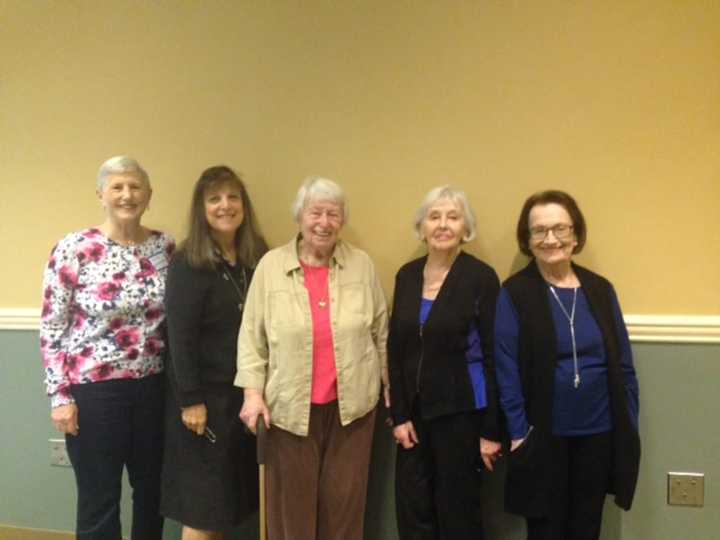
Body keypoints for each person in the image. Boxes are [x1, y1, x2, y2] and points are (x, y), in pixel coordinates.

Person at [235, 176, 388, 540]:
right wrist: (252, 394)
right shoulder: (271, 267)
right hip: (288, 411)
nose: (324, 222)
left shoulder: (361, 265)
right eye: (315, 212)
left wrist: (388, 380)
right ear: (299, 217)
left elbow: (381, 330)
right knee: (291, 513)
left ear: (342, 220)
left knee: (344, 508)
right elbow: (251, 339)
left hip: (352, 410)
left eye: (333, 214)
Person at [40, 156, 174, 540]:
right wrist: (59, 396)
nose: (127, 195)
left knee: (153, 492)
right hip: (95, 392)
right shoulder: (74, 248)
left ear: (149, 195)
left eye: (135, 187)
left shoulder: (165, 246)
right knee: (100, 497)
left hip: (154, 388)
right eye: (117, 187)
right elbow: (52, 327)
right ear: (101, 194)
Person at [495, 190, 640, 540]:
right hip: (542, 436)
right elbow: (506, 367)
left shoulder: (600, 289)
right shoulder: (515, 292)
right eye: (539, 231)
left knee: (587, 526)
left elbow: (622, 364)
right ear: (527, 240)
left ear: (576, 235)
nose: (550, 239)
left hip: (599, 432)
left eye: (560, 228)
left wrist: (629, 420)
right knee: (546, 530)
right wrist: (517, 434)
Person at [388, 186, 502, 540]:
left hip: (462, 414)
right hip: (414, 418)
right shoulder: (407, 275)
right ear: (421, 226)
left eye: (452, 217)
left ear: (465, 227)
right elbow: (396, 347)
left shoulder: (481, 277)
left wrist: (490, 430)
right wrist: (401, 415)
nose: (442, 225)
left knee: (459, 513)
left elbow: (494, 354)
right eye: (434, 217)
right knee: (413, 509)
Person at [160, 166, 269, 539]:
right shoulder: (188, 262)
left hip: (243, 395)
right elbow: (180, 337)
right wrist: (191, 400)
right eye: (215, 198)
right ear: (201, 208)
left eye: (233, 197)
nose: (226, 205)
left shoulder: (257, 258)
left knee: (225, 505)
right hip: (203, 402)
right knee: (203, 509)